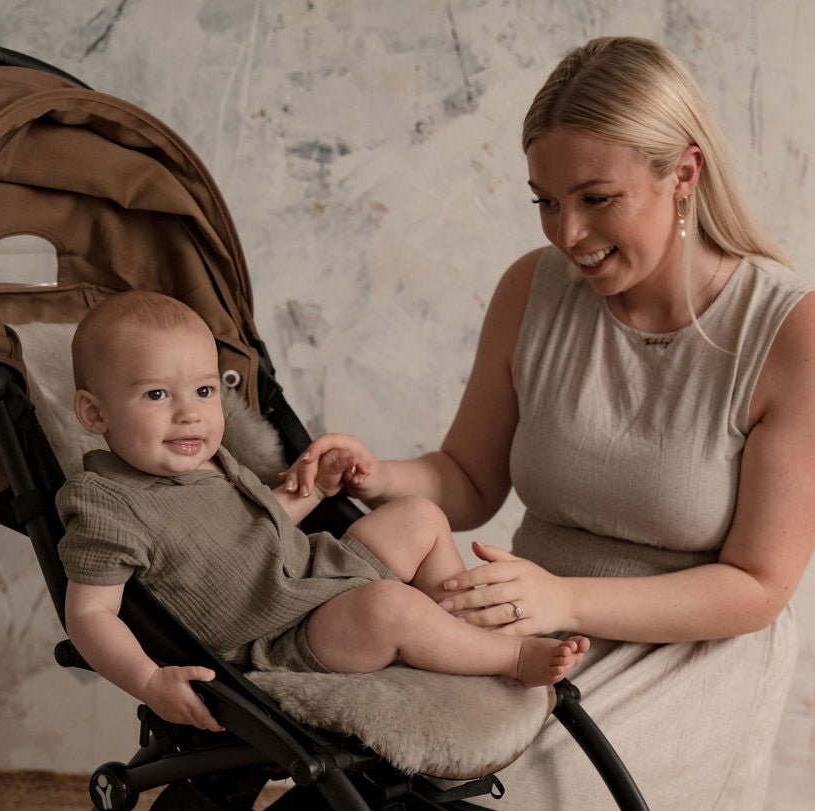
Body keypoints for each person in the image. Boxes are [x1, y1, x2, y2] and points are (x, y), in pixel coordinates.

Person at [281, 35, 815, 811]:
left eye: (595, 199)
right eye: (544, 202)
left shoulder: (799, 337)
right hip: (524, 619)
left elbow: (759, 584)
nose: (567, 232)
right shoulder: (533, 290)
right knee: (377, 778)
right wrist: (376, 472)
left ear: (680, 174)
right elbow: (467, 477)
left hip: (694, 639)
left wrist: (561, 597)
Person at [56, 291, 589, 732]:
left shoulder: (212, 459)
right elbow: (90, 615)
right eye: (156, 394)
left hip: (315, 572)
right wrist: (150, 682)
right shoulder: (108, 506)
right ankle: (512, 660)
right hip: (280, 638)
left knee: (419, 516)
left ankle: (454, 627)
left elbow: (261, 523)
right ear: (94, 412)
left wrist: (318, 487)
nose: (190, 414)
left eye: (203, 390)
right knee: (386, 606)